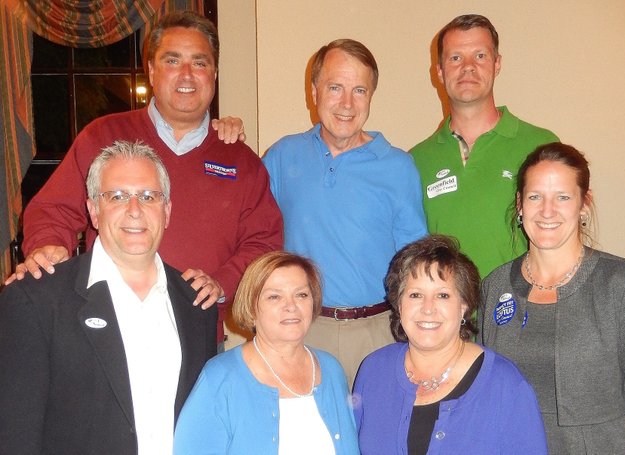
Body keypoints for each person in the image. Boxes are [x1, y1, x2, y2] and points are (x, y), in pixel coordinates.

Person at [11, 11, 283, 344]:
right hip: (106, 327)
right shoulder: (103, 137)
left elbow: (263, 243)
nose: (186, 74)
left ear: (214, 73)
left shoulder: (243, 162)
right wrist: (48, 247)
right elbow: (54, 211)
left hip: (196, 329)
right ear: (152, 71)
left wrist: (221, 282)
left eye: (199, 63)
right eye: (172, 60)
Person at [0, 141, 217, 454]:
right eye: (116, 196)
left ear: (166, 211)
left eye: (148, 196)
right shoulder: (36, 301)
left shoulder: (196, 306)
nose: (134, 209)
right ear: (93, 211)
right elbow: (15, 438)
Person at [478, 142, 625, 454]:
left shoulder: (622, 285)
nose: (547, 211)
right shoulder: (496, 286)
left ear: (584, 204)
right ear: (520, 204)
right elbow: (485, 394)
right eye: (535, 196)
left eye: (563, 197)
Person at [262, 39, 427, 384]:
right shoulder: (281, 157)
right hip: (303, 330)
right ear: (314, 91)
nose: (347, 104)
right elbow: (252, 234)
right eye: (335, 87)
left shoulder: (399, 167)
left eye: (360, 90)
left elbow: (416, 264)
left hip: (378, 335)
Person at [353, 234, 547, 454]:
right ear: (399, 304)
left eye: (443, 295)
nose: (428, 308)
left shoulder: (506, 384)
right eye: (415, 294)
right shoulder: (374, 370)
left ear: (464, 304)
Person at [411, 14, 558, 278]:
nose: (468, 67)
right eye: (456, 58)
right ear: (440, 72)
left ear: (497, 64)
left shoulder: (541, 146)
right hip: (448, 317)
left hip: (524, 315)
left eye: (480, 56)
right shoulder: (416, 160)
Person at [173, 251, 358, 454]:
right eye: (274, 297)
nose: (291, 306)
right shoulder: (220, 378)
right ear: (252, 308)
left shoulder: (331, 369)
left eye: (301, 295)